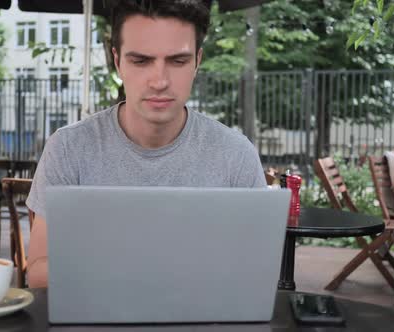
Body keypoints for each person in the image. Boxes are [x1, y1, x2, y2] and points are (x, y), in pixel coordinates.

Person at [25, 0, 266, 288]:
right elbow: (37, 273)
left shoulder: (236, 155)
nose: (159, 81)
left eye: (178, 61)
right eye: (140, 61)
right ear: (117, 61)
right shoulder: (69, 148)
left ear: (197, 61)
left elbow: (256, 275)